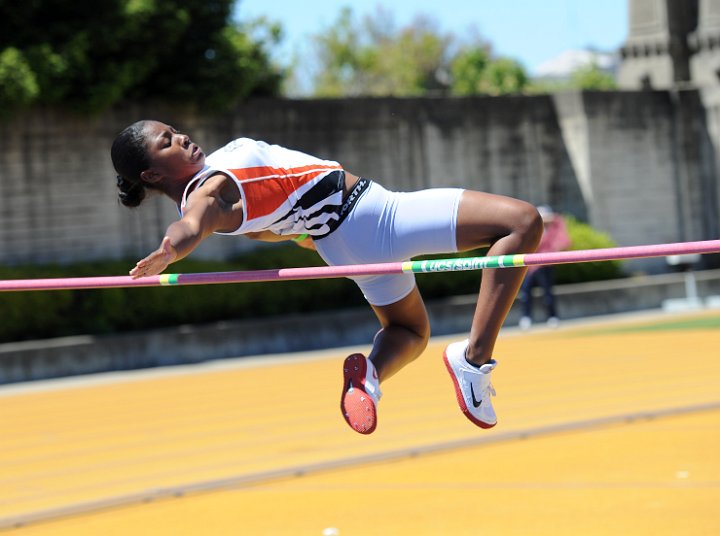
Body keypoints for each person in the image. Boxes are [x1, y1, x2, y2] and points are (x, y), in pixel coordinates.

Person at [111, 120, 543, 434]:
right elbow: (191, 225)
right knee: (521, 223)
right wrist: (172, 248)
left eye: (174, 130)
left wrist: (304, 234)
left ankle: (368, 378)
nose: (182, 137)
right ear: (151, 174)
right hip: (375, 214)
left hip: (342, 244)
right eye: (167, 142)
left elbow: (276, 226)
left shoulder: (223, 197)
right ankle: (473, 361)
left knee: (409, 331)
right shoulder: (207, 194)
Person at [518, 205, 571, 330]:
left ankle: (552, 317)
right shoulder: (533, 231)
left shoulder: (554, 230)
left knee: (547, 293)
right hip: (530, 266)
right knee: (525, 292)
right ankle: (526, 317)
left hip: (546, 265)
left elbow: (564, 241)